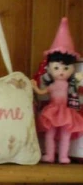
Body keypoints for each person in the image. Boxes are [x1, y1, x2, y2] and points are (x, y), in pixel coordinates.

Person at [31, 18, 83, 164]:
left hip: (66, 111)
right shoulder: (53, 84)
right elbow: (42, 92)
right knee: (50, 133)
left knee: (66, 133)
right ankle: (50, 154)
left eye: (65, 68)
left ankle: (63, 156)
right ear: (49, 68)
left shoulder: (70, 84)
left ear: (72, 69)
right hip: (53, 110)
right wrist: (34, 86)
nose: (61, 72)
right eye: (56, 68)